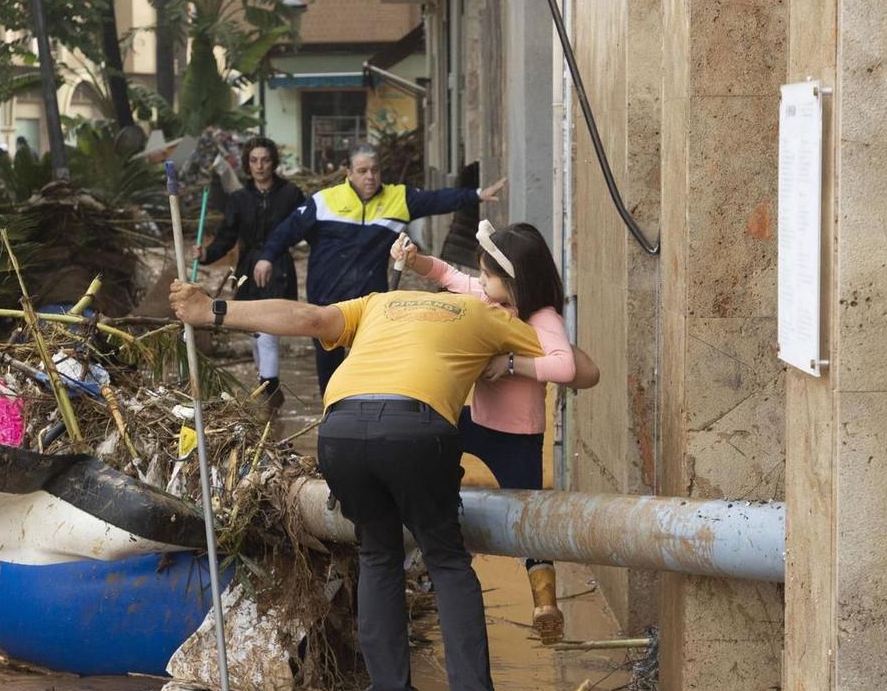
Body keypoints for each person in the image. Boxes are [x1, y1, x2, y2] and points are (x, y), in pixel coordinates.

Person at [168, 276, 543, 691]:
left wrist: (212, 311)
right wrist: (506, 357)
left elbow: (307, 318)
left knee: (378, 556)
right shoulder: (481, 314)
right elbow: (572, 364)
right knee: (446, 561)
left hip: (341, 430)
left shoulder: (377, 303)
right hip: (418, 429)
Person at [390, 221, 601, 643]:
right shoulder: (490, 299)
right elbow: (450, 277)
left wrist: (510, 365)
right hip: (478, 422)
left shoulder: (543, 319)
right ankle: (436, 515)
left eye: (487, 275)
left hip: (518, 438)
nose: (480, 282)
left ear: (515, 281)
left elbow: (565, 367)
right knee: (435, 434)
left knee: (530, 522)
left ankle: (545, 603)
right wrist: (416, 263)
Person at [253, 141, 506, 394]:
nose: (370, 177)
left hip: (370, 302)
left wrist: (476, 194)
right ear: (349, 173)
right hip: (325, 299)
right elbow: (287, 230)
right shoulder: (324, 201)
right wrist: (267, 257)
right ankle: (330, 416)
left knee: (367, 364)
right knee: (328, 368)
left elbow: (437, 199)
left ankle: (362, 414)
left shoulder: (398, 199)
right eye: (362, 171)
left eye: (375, 170)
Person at [198, 137, 306, 408]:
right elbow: (226, 237)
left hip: (279, 269)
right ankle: (266, 387)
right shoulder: (239, 199)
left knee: (268, 329)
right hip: (247, 269)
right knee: (254, 332)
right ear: (247, 164)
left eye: (265, 160)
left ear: (274, 163)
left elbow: (306, 229)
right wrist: (206, 255)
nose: (260, 166)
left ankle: (270, 388)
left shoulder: (291, 194)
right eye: (254, 161)